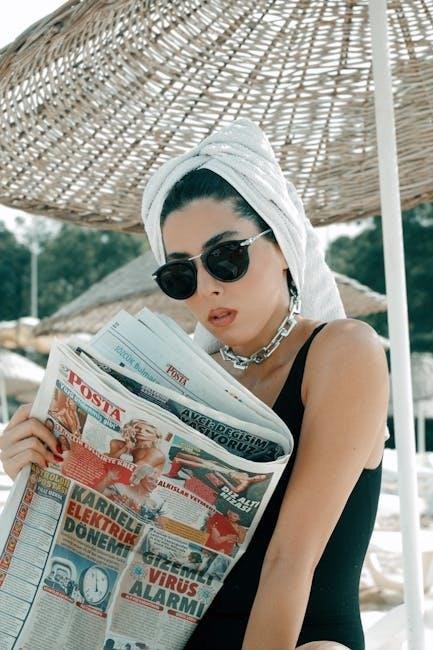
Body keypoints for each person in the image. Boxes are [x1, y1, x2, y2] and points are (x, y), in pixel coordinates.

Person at [0, 119, 389, 650]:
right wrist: (36, 467)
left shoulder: (342, 352)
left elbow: (288, 560)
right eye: (180, 275)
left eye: (227, 257)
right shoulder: (184, 379)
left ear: (282, 242)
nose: (206, 288)